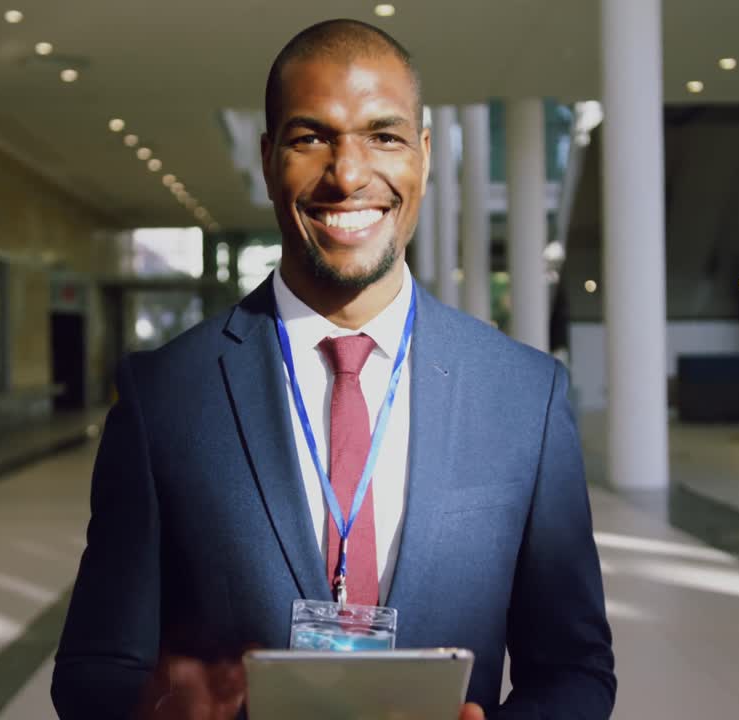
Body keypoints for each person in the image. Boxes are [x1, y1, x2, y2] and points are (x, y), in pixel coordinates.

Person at [51, 18, 615, 720]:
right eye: (311, 136)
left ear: (424, 156)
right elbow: (92, 671)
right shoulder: (164, 395)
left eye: (383, 135)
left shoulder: (524, 397)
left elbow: (576, 669)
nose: (348, 175)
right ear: (267, 158)